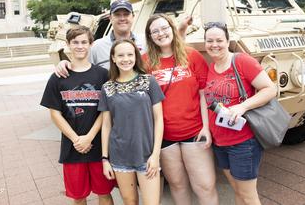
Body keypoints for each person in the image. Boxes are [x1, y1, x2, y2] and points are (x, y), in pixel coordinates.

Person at [143, 14, 219, 205]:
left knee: (205, 185)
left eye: (164, 28)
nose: (161, 34)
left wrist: (206, 127)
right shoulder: (145, 62)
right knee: (177, 185)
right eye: (155, 31)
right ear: (150, 36)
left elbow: (203, 93)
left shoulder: (191, 55)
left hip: (194, 130)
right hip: (165, 135)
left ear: (172, 28)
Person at [203, 22, 277, 205]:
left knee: (249, 197)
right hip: (220, 142)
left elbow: (270, 89)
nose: (214, 44)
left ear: (227, 41)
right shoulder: (211, 68)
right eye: (209, 41)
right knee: (238, 192)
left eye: (219, 40)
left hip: (243, 142)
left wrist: (242, 107)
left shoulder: (242, 61)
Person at [40, 26, 115, 205]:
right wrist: (76, 140)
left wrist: (89, 137)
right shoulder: (58, 77)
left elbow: (107, 111)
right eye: (75, 42)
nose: (80, 46)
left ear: (91, 44)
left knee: (104, 192)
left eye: (84, 42)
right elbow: (55, 114)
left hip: (99, 147)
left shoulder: (102, 75)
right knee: (78, 196)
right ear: (68, 45)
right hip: (72, 148)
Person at [99, 39, 164, 205]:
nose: (125, 59)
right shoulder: (107, 87)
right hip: (120, 155)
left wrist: (155, 154)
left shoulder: (148, 81)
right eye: (120, 55)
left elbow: (159, 119)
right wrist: (105, 159)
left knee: (152, 202)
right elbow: (106, 125)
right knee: (130, 201)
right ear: (113, 58)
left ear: (136, 56)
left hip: (147, 154)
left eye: (130, 54)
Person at [55, 0, 191, 75]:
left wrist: (181, 30)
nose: (122, 19)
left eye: (126, 14)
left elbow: (171, 53)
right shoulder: (97, 47)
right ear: (110, 18)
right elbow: (82, 69)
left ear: (132, 16)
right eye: (117, 15)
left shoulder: (147, 42)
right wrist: (65, 64)